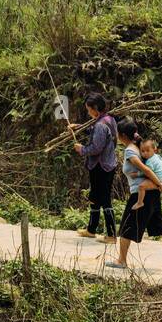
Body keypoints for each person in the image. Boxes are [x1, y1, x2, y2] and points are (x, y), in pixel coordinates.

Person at [106, 119, 162, 271]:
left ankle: (121, 260)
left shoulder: (131, 150)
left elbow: (148, 170)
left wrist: (159, 184)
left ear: (122, 135)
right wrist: (160, 183)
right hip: (152, 194)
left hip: (141, 194)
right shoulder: (139, 146)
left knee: (127, 226)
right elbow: (155, 164)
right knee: (161, 226)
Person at [71, 92, 118, 244]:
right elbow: (94, 133)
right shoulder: (109, 119)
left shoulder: (100, 124)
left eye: (89, 109)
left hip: (101, 166)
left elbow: (96, 147)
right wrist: (78, 127)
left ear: (95, 108)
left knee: (104, 199)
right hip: (107, 164)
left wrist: (82, 149)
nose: (88, 112)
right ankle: (91, 229)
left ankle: (111, 235)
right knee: (94, 197)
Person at [131, 138, 162, 210]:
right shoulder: (158, 157)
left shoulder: (149, 161)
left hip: (156, 180)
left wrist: (136, 174)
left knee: (141, 187)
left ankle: (140, 202)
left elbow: (147, 172)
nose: (145, 153)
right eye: (142, 151)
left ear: (154, 150)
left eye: (147, 150)